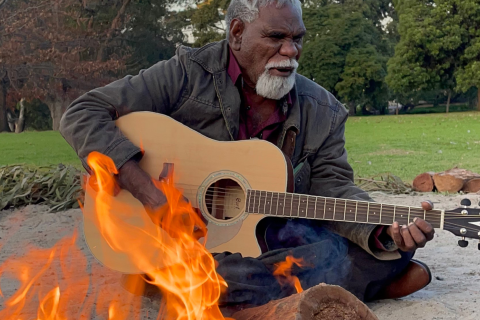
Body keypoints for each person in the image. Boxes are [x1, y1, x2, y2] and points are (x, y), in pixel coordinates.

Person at [60, 0, 435, 309]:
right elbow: (82, 113)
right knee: (208, 267)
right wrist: (150, 194)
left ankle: (243, 296)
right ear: (237, 33)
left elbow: (335, 188)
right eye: (276, 37)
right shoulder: (186, 75)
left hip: (274, 239)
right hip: (181, 244)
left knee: (385, 252)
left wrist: (382, 230)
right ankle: (320, 291)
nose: (290, 52)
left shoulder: (323, 109)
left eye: (297, 39)